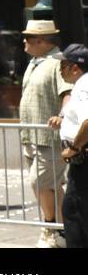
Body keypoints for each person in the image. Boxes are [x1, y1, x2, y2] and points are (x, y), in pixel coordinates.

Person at [18, 6, 72, 248]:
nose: (24, 41)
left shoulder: (57, 62)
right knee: (50, 185)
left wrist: (62, 114)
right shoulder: (35, 61)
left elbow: (68, 92)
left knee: (39, 182)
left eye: (28, 38)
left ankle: (50, 230)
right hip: (32, 135)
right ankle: (63, 230)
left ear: (40, 40)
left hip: (49, 136)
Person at [52, 44, 88, 248]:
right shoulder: (81, 85)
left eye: (63, 65)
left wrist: (74, 148)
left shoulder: (84, 85)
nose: (60, 69)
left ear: (76, 67)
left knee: (75, 217)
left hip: (83, 160)